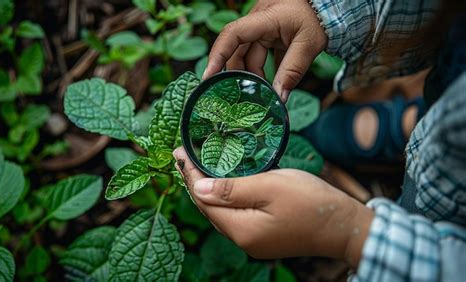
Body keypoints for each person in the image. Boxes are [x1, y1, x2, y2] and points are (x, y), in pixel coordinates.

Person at [173, 0, 466, 280]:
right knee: (446, 106)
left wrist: (348, 234)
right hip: (450, 97)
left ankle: (427, 131)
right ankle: (414, 123)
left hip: (446, 213)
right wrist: (327, 9)